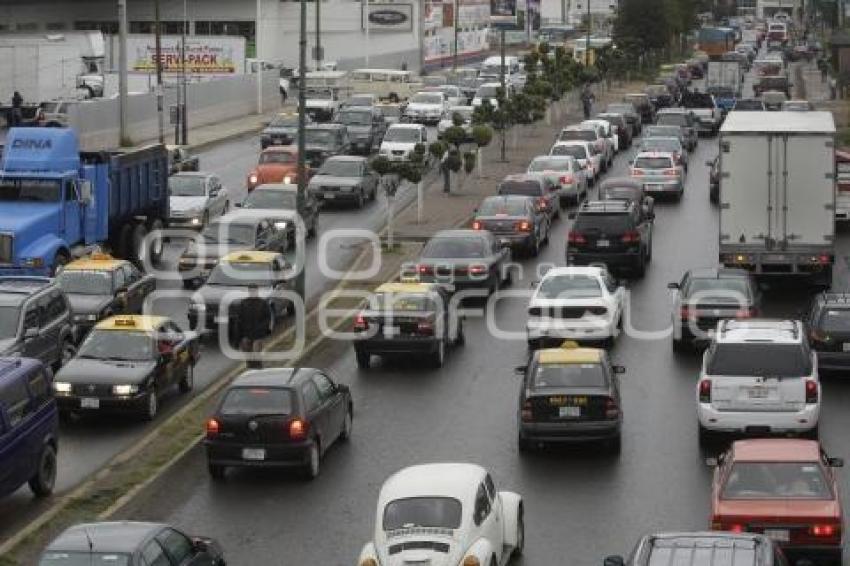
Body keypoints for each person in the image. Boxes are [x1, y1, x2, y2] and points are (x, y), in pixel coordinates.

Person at [235, 284, 272, 369]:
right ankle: (251, 371)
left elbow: (267, 319)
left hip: (258, 335)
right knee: (249, 358)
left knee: (256, 355)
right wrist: (238, 340)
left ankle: (259, 370)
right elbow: (239, 322)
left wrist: (262, 331)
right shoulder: (243, 303)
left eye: (254, 291)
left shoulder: (262, 303)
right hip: (246, 335)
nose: (253, 293)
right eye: (251, 291)